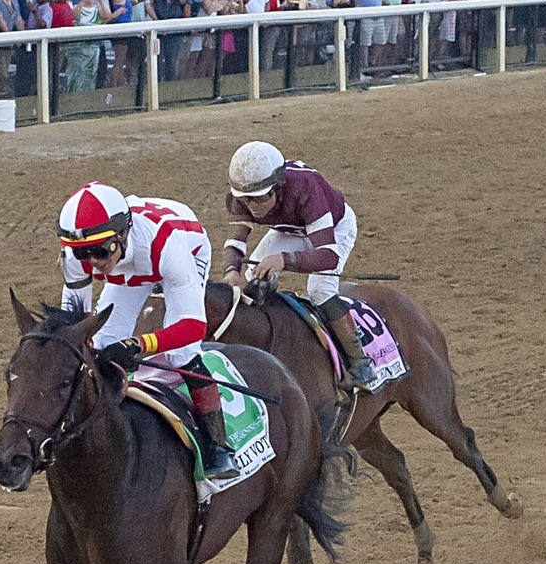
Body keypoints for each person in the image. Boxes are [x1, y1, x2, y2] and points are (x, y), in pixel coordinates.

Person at [57, 181, 238, 481]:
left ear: (122, 234)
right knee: (102, 345)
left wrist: (139, 344)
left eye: (100, 251)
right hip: (131, 264)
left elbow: (193, 327)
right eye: (82, 254)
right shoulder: (84, 250)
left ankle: (218, 447)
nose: (94, 263)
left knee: (182, 354)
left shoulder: (167, 247)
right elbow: (75, 320)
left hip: (184, 247)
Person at [220, 140, 369, 389]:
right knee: (251, 273)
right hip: (291, 229)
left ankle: (360, 363)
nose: (253, 207)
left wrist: (284, 260)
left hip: (333, 228)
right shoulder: (243, 195)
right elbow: (235, 240)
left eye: (260, 198)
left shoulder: (306, 189)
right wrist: (230, 271)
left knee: (320, 290)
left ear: (278, 187)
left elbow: (328, 255)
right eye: (246, 200)